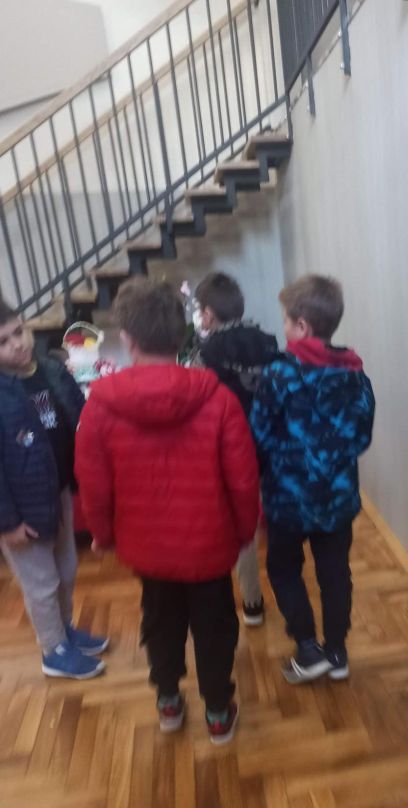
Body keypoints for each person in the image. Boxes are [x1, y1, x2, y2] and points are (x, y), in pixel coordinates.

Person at [75, 278, 259, 743]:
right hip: (209, 544)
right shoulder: (219, 400)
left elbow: (94, 484)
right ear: (182, 336)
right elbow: (243, 479)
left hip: (147, 546)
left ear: (127, 339)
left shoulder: (100, 407)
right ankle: (218, 710)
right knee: (215, 626)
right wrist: (244, 532)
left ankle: (169, 701)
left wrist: (102, 535)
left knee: (160, 621)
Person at [251, 274, 375, 684]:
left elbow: (259, 436)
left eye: (287, 321)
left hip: (287, 501)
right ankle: (337, 651)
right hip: (337, 499)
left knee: (284, 568)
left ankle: (307, 647)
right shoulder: (355, 374)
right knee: (335, 571)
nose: (284, 328)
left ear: (302, 326)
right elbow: (361, 438)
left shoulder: (278, 375)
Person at [0, 299, 108, 679]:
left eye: (19, 332)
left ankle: (65, 631)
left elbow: (80, 414)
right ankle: (53, 650)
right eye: (3, 342)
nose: (17, 343)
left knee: (66, 568)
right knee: (42, 582)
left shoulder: (50, 368)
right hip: (22, 509)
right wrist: (7, 523)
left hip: (58, 490)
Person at [194, 271, 278, 627]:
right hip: (271, 440)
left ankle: (252, 601)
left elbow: (200, 400)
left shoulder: (208, 351)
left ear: (209, 314)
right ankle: (287, 583)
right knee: (273, 514)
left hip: (231, 446)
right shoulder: (268, 341)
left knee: (242, 522)